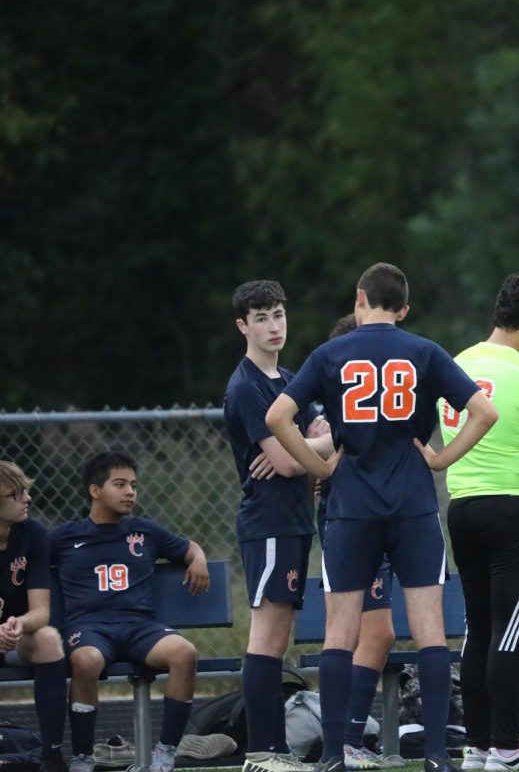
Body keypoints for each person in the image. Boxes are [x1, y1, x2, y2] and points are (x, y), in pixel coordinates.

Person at [265, 262, 497, 772]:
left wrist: (320, 464)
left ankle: (332, 754)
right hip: (412, 505)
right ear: (405, 309)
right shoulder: (424, 351)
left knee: (339, 632)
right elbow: (485, 411)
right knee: (429, 630)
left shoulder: (330, 353)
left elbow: (277, 417)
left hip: (351, 508)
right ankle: (437, 754)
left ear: (360, 298)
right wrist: (440, 458)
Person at [439, 270, 519, 771]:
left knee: (480, 631)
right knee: (511, 635)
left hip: (464, 505)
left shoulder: (455, 364)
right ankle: (509, 750)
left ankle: (479, 748)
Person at [224, 280, 334, 772]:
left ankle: (277, 750)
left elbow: (315, 435)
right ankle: (262, 752)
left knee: (280, 636)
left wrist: (310, 446)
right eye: (262, 317)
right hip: (267, 522)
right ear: (243, 325)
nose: (274, 326)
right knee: (266, 638)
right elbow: (288, 465)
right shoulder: (246, 386)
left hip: (293, 522)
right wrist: (319, 447)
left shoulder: (287, 379)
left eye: (278, 315)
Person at [50, 452, 210, 772]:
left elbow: (189, 547)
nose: (130, 492)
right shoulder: (66, 536)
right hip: (90, 628)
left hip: (140, 627)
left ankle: (164, 753)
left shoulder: (145, 531)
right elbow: (25, 560)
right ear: (95, 491)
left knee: (184, 653)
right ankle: (82, 756)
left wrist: (199, 560)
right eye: (120, 484)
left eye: (134, 486)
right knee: (86, 660)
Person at [313, 314, 402, 771]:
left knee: (380, 631)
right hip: (346, 517)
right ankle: (338, 743)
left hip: (382, 514)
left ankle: (347, 737)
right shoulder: (331, 403)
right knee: (345, 631)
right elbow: (314, 446)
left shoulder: (385, 397)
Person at [0, 462, 68, 772]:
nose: (27, 498)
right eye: (16, 493)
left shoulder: (33, 533)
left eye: (26, 490)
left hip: (14, 639)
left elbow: (41, 611)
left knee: (49, 639)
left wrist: (18, 625)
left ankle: (51, 756)